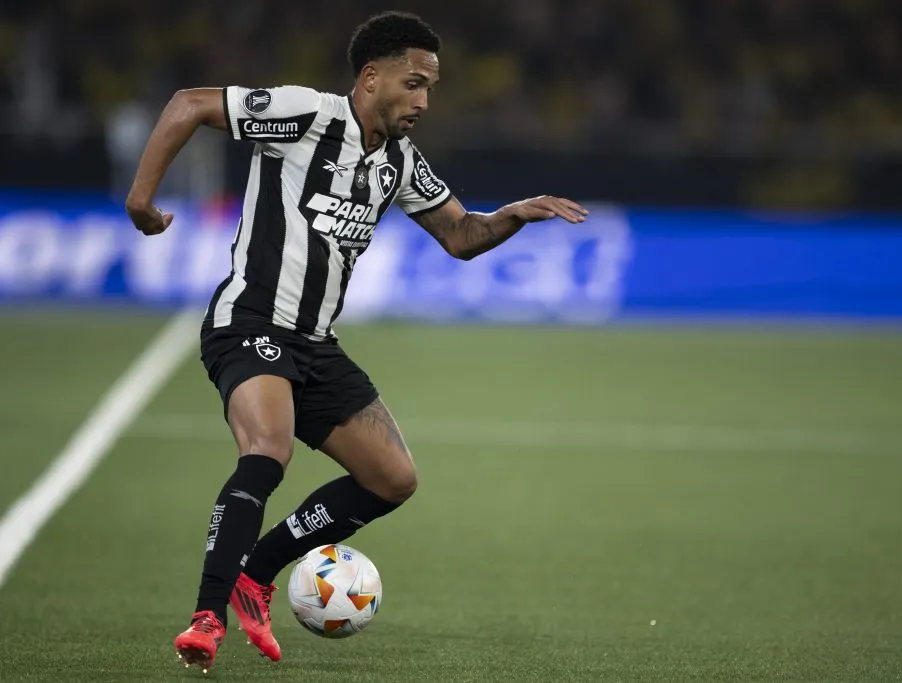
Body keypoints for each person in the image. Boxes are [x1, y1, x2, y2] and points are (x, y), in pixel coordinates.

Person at [124, 10, 588, 673]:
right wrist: (142, 199)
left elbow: (460, 236)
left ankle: (259, 572)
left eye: (431, 87)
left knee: (392, 477)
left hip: (315, 343)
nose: (425, 100)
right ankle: (208, 612)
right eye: (415, 83)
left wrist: (511, 215)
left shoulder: (399, 161)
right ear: (372, 78)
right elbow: (188, 105)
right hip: (250, 322)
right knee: (268, 449)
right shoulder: (304, 116)